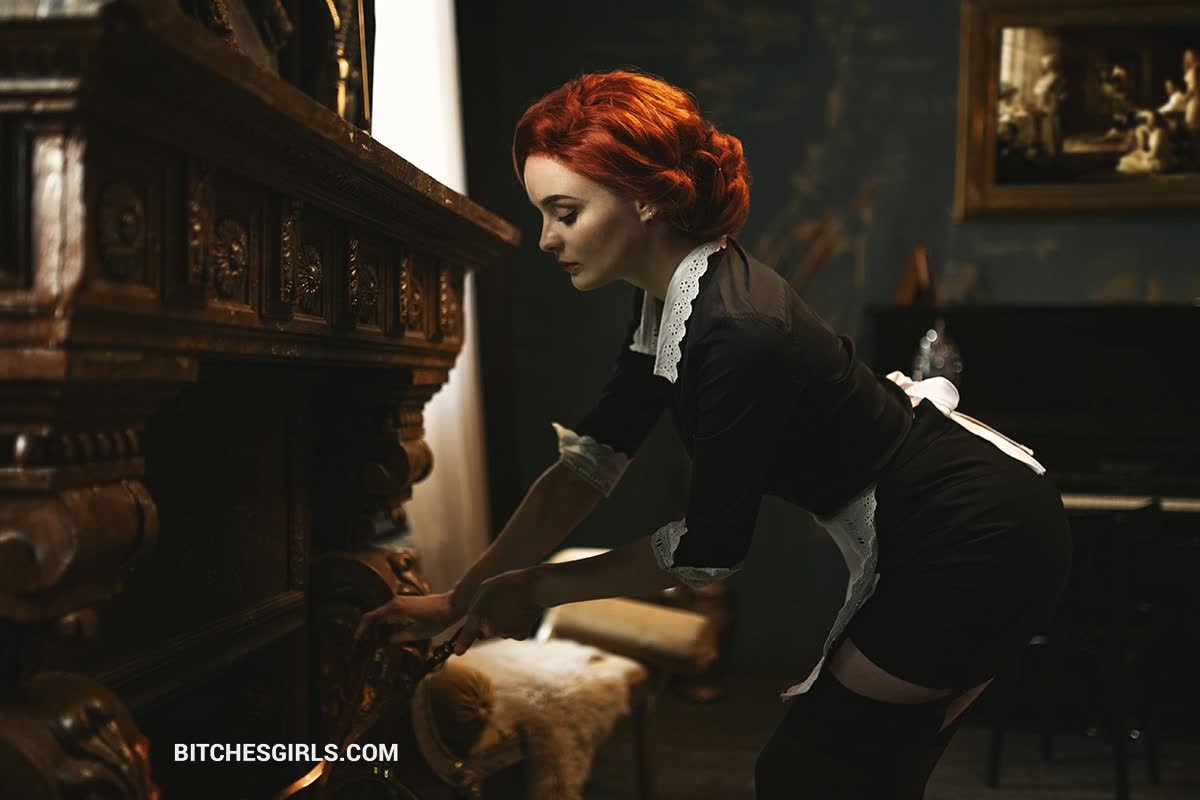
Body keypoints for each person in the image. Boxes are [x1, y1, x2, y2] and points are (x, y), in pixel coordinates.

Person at [355, 70, 1072, 799]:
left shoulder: (736, 329)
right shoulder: (670, 298)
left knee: (810, 775)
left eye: (564, 212)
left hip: (975, 532)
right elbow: (590, 463)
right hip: (948, 519)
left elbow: (710, 550)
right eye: (543, 214)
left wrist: (539, 588)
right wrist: (460, 598)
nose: (546, 239)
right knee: (859, 777)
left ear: (646, 198)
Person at [1033, 54, 1067, 156]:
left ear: (1052, 64)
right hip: (1042, 101)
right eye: (1043, 64)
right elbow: (1036, 90)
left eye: (1047, 63)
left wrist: (1055, 96)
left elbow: (1052, 91)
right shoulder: (1044, 78)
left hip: (1051, 102)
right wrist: (1041, 91)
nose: (1045, 66)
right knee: (1043, 125)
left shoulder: (1057, 77)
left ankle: (1054, 151)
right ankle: (1045, 149)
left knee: (1052, 125)